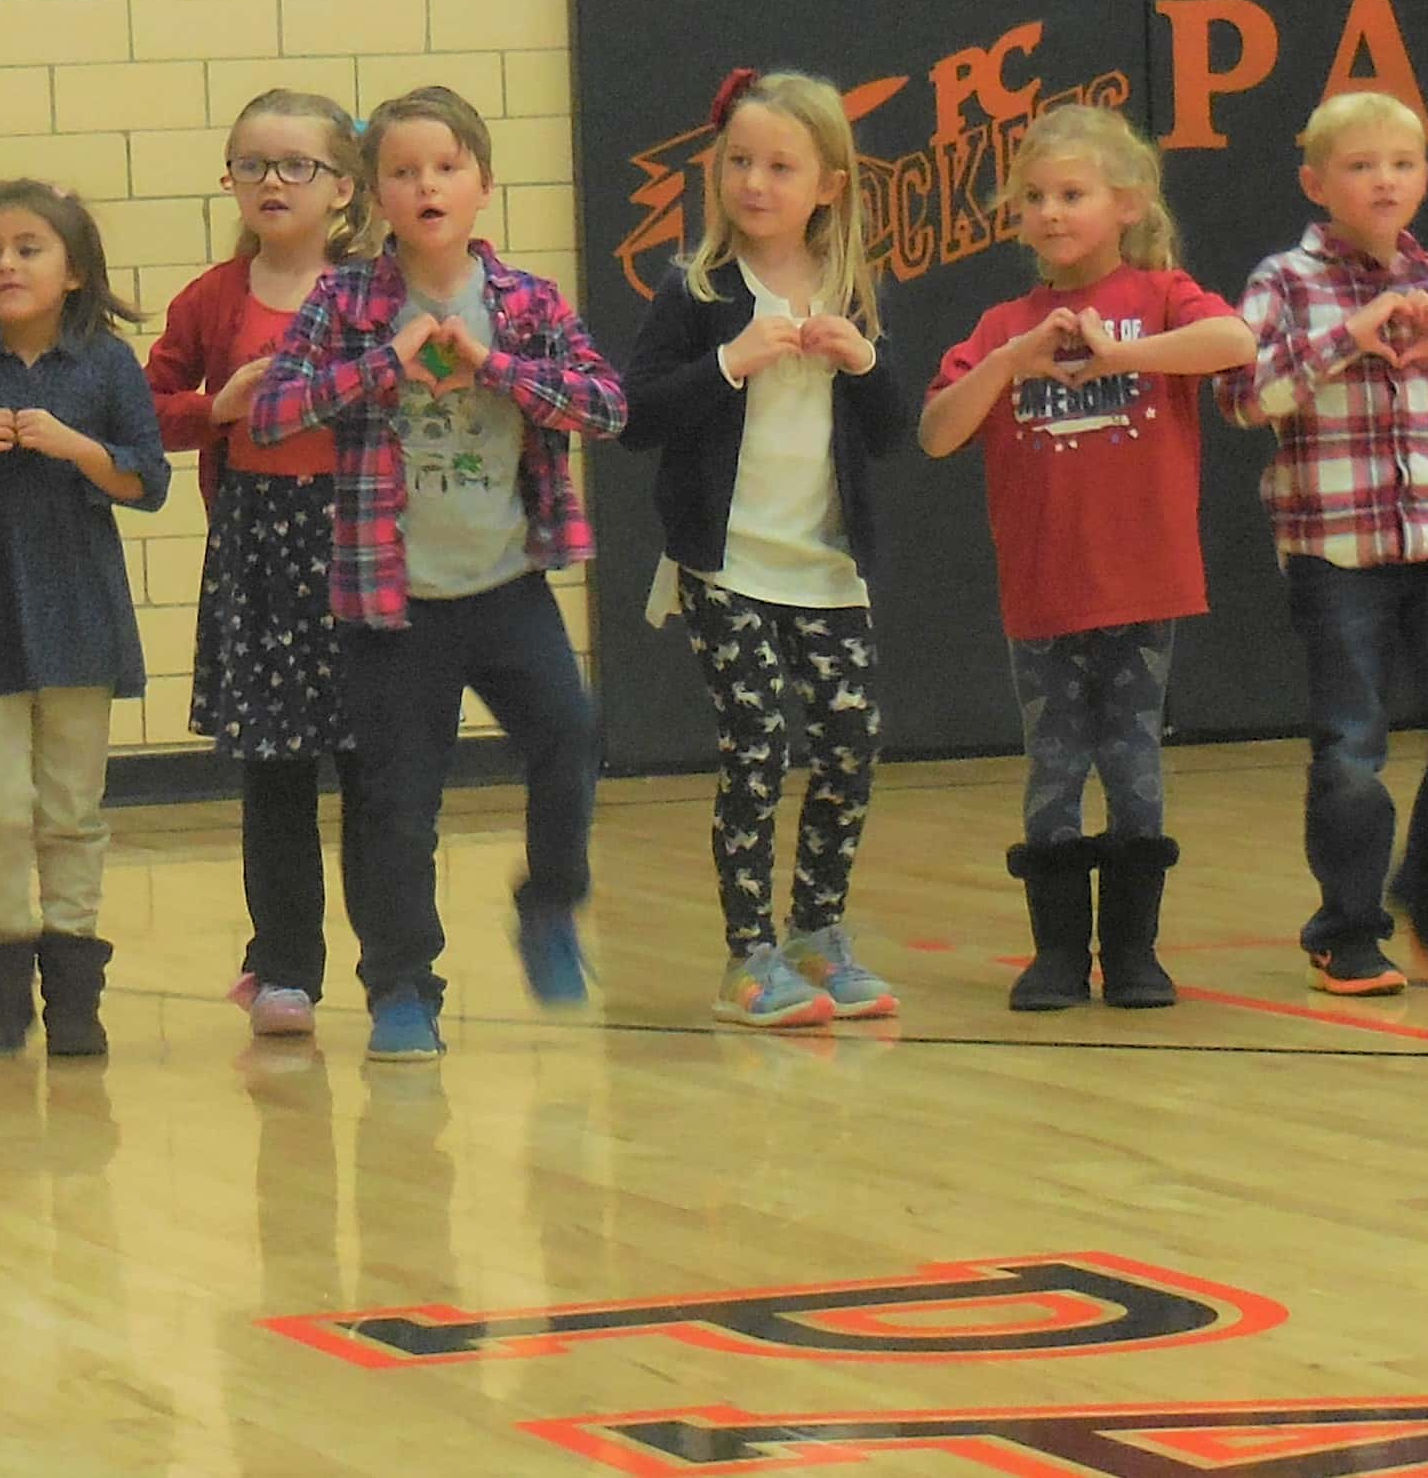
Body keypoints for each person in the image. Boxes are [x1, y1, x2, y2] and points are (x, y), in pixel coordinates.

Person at [252, 87, 626, 1062]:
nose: (427, 186)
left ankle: (549, 904)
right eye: (405, 171)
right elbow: (272, 412)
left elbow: (604, 406)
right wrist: (384, 364)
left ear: (483, 187)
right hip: (392, 603)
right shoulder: (348, 300)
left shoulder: (525, 302)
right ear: (375, 193)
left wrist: (498, 369)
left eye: (447, 169)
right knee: (397, 802)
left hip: (506, 586)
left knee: (570, 735)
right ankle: (404, 986)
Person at [921, 103, 1253, 1012]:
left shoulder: (1161, 299)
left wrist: (1120, 350)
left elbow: (1237, 342)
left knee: (1133, 751)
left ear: (1129, 203)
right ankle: (1058, 950)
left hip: (1143, 579)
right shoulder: (1004, 324)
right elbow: (938, 431)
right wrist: (1011, 364)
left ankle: (1134, 948)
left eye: (1073, 193)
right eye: (1034, 197)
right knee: (1055, 759)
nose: (1052, 212)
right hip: (1046, 585)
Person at [1220, 91, 1428, 997]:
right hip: (1336, 553)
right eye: (1361, 167)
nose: (1384, 181)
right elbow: (1243, 397)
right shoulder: (1285, 280)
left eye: (1400, 164)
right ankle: (1346, 927)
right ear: (1317, 183)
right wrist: (1342, 342)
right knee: (1352, 743)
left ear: (1425, 178)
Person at [618, 69, 915, 1030]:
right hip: (725, 564)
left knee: (849, 741)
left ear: (828, 183)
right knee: (757, 744)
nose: (754, 181)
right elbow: (634, 417)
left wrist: (863, 359)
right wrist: (728, 363)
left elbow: (889, 432)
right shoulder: (695, 289)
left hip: (825, 567)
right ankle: (747, 956)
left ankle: (816, 932)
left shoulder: (852, 288)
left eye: (780, 165)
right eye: (738, 161)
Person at [0, 180, 169, 1059]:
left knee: (69, 808)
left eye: (27, 248)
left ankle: (77, 997)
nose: (5, 264)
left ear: (76, 271)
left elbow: (146, 482)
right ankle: (5, 991)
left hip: (80, 611)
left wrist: (79, 447)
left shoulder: (108, 365)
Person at [146, 89, 369, 1040]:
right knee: (274, 771)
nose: (271, 182)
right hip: (259, 551)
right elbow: (142, 411)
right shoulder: (212, 298)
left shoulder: (376, 291)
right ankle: (284, 964)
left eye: (295, 165)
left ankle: (398, 963)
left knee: (374, 769)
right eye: (250, 164)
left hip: (364, 549)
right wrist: (215, 409)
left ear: (344, 186)